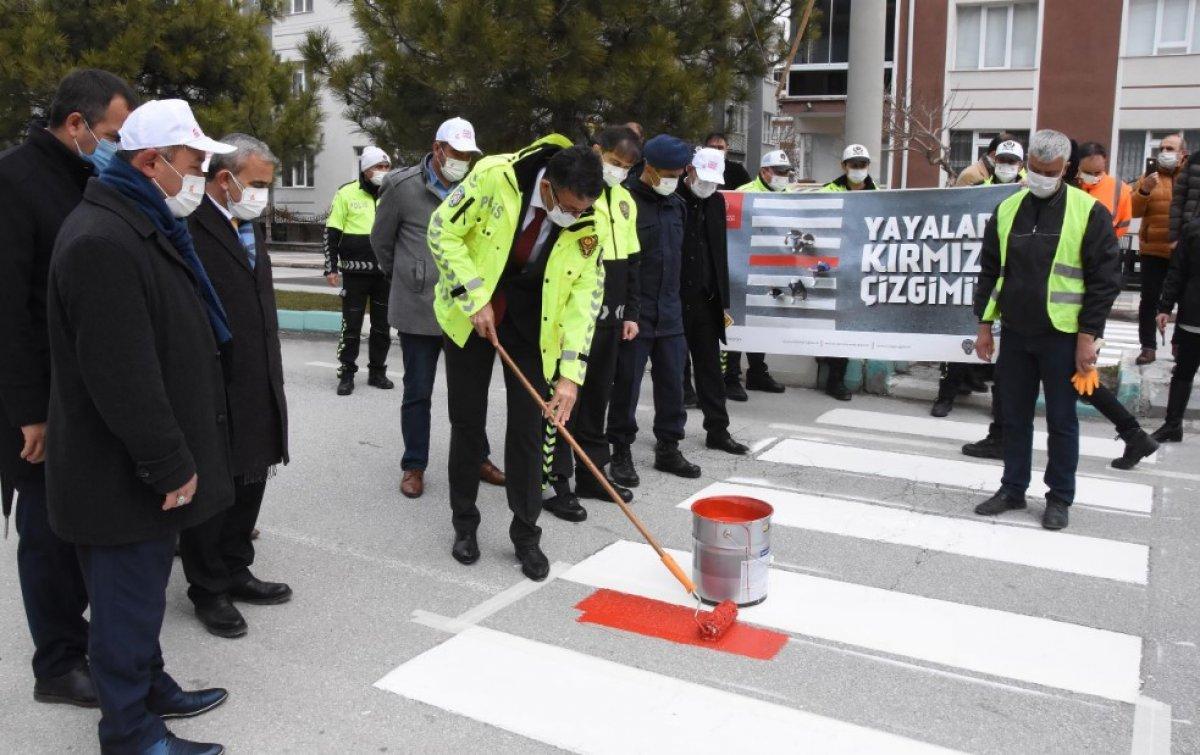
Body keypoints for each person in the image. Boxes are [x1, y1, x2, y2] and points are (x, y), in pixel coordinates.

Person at [47, 98, 235, 755]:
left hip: (131, 467)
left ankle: (150, 683)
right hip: (120, 471)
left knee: (141, 594)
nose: (202, 174)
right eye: (194, 162)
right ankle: (129, 732)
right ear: (152, 162)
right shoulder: (103, 239)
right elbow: (121, 377)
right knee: (124, 604)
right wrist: (169, 462)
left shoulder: (138, 219)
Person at [0, 68, 133, 711]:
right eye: (111, 132)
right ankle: (55, 663)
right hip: (37, 404)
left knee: (77, 522)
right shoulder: (15, 180)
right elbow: (8, 310)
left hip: (78, 395)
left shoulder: (84, 176)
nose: (116, 144)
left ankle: (74, 636)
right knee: (49, 536)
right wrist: (30, 412)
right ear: (77, 124)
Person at [429, 136, 604, 582]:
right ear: (548, 188)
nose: (576, 217)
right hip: (475, 311)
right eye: (569, 207)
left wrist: (570, 375)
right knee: (467, 421)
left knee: (528, 427)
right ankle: (464, 523)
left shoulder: (588, 217)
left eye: (583, 211)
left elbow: (585, 298)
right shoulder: (493, 176)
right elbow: (441, 230)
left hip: (533, 323)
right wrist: (471, 294)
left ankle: (526, 533)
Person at [972, 129, 1121, 531]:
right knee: (1013, 416)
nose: (1039, 176)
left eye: (1048, 171)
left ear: (1065, 169)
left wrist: (1089, 337)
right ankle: (1012, 488)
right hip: (1017, 333)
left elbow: (1104, 281)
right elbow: (990, 271)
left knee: (1061, 420)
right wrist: (984, 325)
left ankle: (1059, 497)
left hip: (1063, 335)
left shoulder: (1088, 212)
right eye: (1034, 169)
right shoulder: (1007, 209)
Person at [180, 133, 292, 639]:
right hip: (214, 377)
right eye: (257, 184)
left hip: (257, 372)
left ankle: (235, 566)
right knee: (216, 486)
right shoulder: (189, 225)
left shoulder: (247, 223)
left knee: (253, 473)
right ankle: (207, 587)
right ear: (224, 179)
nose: (263, 195)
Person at [372, 117, 505, 499]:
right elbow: (381, 241)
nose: (462, 161)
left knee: (470, 392)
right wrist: (410, 275)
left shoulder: (475, 186)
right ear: (438, 149)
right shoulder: (401, 186)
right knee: (418, 391)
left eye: (468, 155)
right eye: (457, 154)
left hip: (465, 308)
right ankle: (414, 464)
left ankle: (477, 457)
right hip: (419, 307)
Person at [541, 126, 642, 521]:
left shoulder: (624, 202)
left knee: (598, 395)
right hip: (577, 310)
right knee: (566, 395)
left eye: (627, 167)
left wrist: (631, 311)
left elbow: (633, 260)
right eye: (615, 163)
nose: (619, 171)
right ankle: (557, 479)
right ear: (598, 152)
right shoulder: (576, 196)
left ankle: (592, 472)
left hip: (612, 311)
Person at [608, 135, 701, 486]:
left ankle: (668, 447)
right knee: (627, 384)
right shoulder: (626, 203)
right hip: (636, 311)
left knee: (673, 384)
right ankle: (620, 449)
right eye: (669, 173)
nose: (675, 179)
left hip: (671, 311)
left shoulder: (676, 204)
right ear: (648, 168)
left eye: (679, 173)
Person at [933, 140, 1026, 420]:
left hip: (1013, 277)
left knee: (1007, 347)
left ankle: (1001, 407)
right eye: (1002, 159)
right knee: (963, 333)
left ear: (1021, 165)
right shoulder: (979, 192)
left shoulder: (1029, 193)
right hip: (976, 273)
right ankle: (946, 395)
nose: (1006, 165)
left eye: (1012, 161)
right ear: (994, 160)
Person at [679, 146, 750, 456]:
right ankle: (669, 436)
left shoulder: (717, 203)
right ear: (689, 171)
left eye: (714, 181)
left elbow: (718, 250)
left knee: (710, 368)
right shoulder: (673, 201)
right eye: (703, 178)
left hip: (707, 300)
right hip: (676, 300)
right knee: (672, 372)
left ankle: (717, 430)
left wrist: (722, 297)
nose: (708, 186)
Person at [724, 149, 793, 401]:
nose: (784, 177)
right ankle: (730, 377)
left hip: (772, 269)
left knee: (762, 320)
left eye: (786, 172)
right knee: (738, 322)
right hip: (744, 268)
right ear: (765, 171)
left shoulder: (790, 196)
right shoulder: (744, 193)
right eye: (779, 172)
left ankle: (756, 372)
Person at [326, 145, 394, 395]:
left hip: (385, 275)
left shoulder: (392, 194)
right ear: (365, 169)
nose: (383, 172)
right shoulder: (346, 193)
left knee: (382, 327)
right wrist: (330, 267)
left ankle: (378, 372)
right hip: (354, 275)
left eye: (387, 167)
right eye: (378, 167)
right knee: (351, 326)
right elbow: (331, 233)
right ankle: (346, 374)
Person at [818, 143, 879, 401]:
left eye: (862, 165)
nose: (858, 169)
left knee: (850, 322)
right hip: (833, 265)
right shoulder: (827, 192)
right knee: (833, 322)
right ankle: (834, 379)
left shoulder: (880, 195)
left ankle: (838, 376)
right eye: (853, 165)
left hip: (862, 267)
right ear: (844, 167)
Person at [1135, 133, 1188, 365]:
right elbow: (1134, 210)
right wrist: (1145, 190)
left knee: (1186, 300)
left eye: (1171, 148)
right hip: (1153, 251)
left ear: (1183, 154)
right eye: (1162, 148)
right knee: (1149, 300)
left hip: (1184, 253)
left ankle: (1179, 344)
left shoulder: (1190, 179)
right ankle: (1148, 346)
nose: (1165, 152)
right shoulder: (1148, 177)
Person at [1153, 215, 1200, 443]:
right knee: (1183, 371)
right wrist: (1165, 307)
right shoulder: (1193, 229)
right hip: (1193, 314)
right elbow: (1177, 271)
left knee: (1183, 371)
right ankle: (1172, 425)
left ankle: (1172, 425)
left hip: (1192, 311)